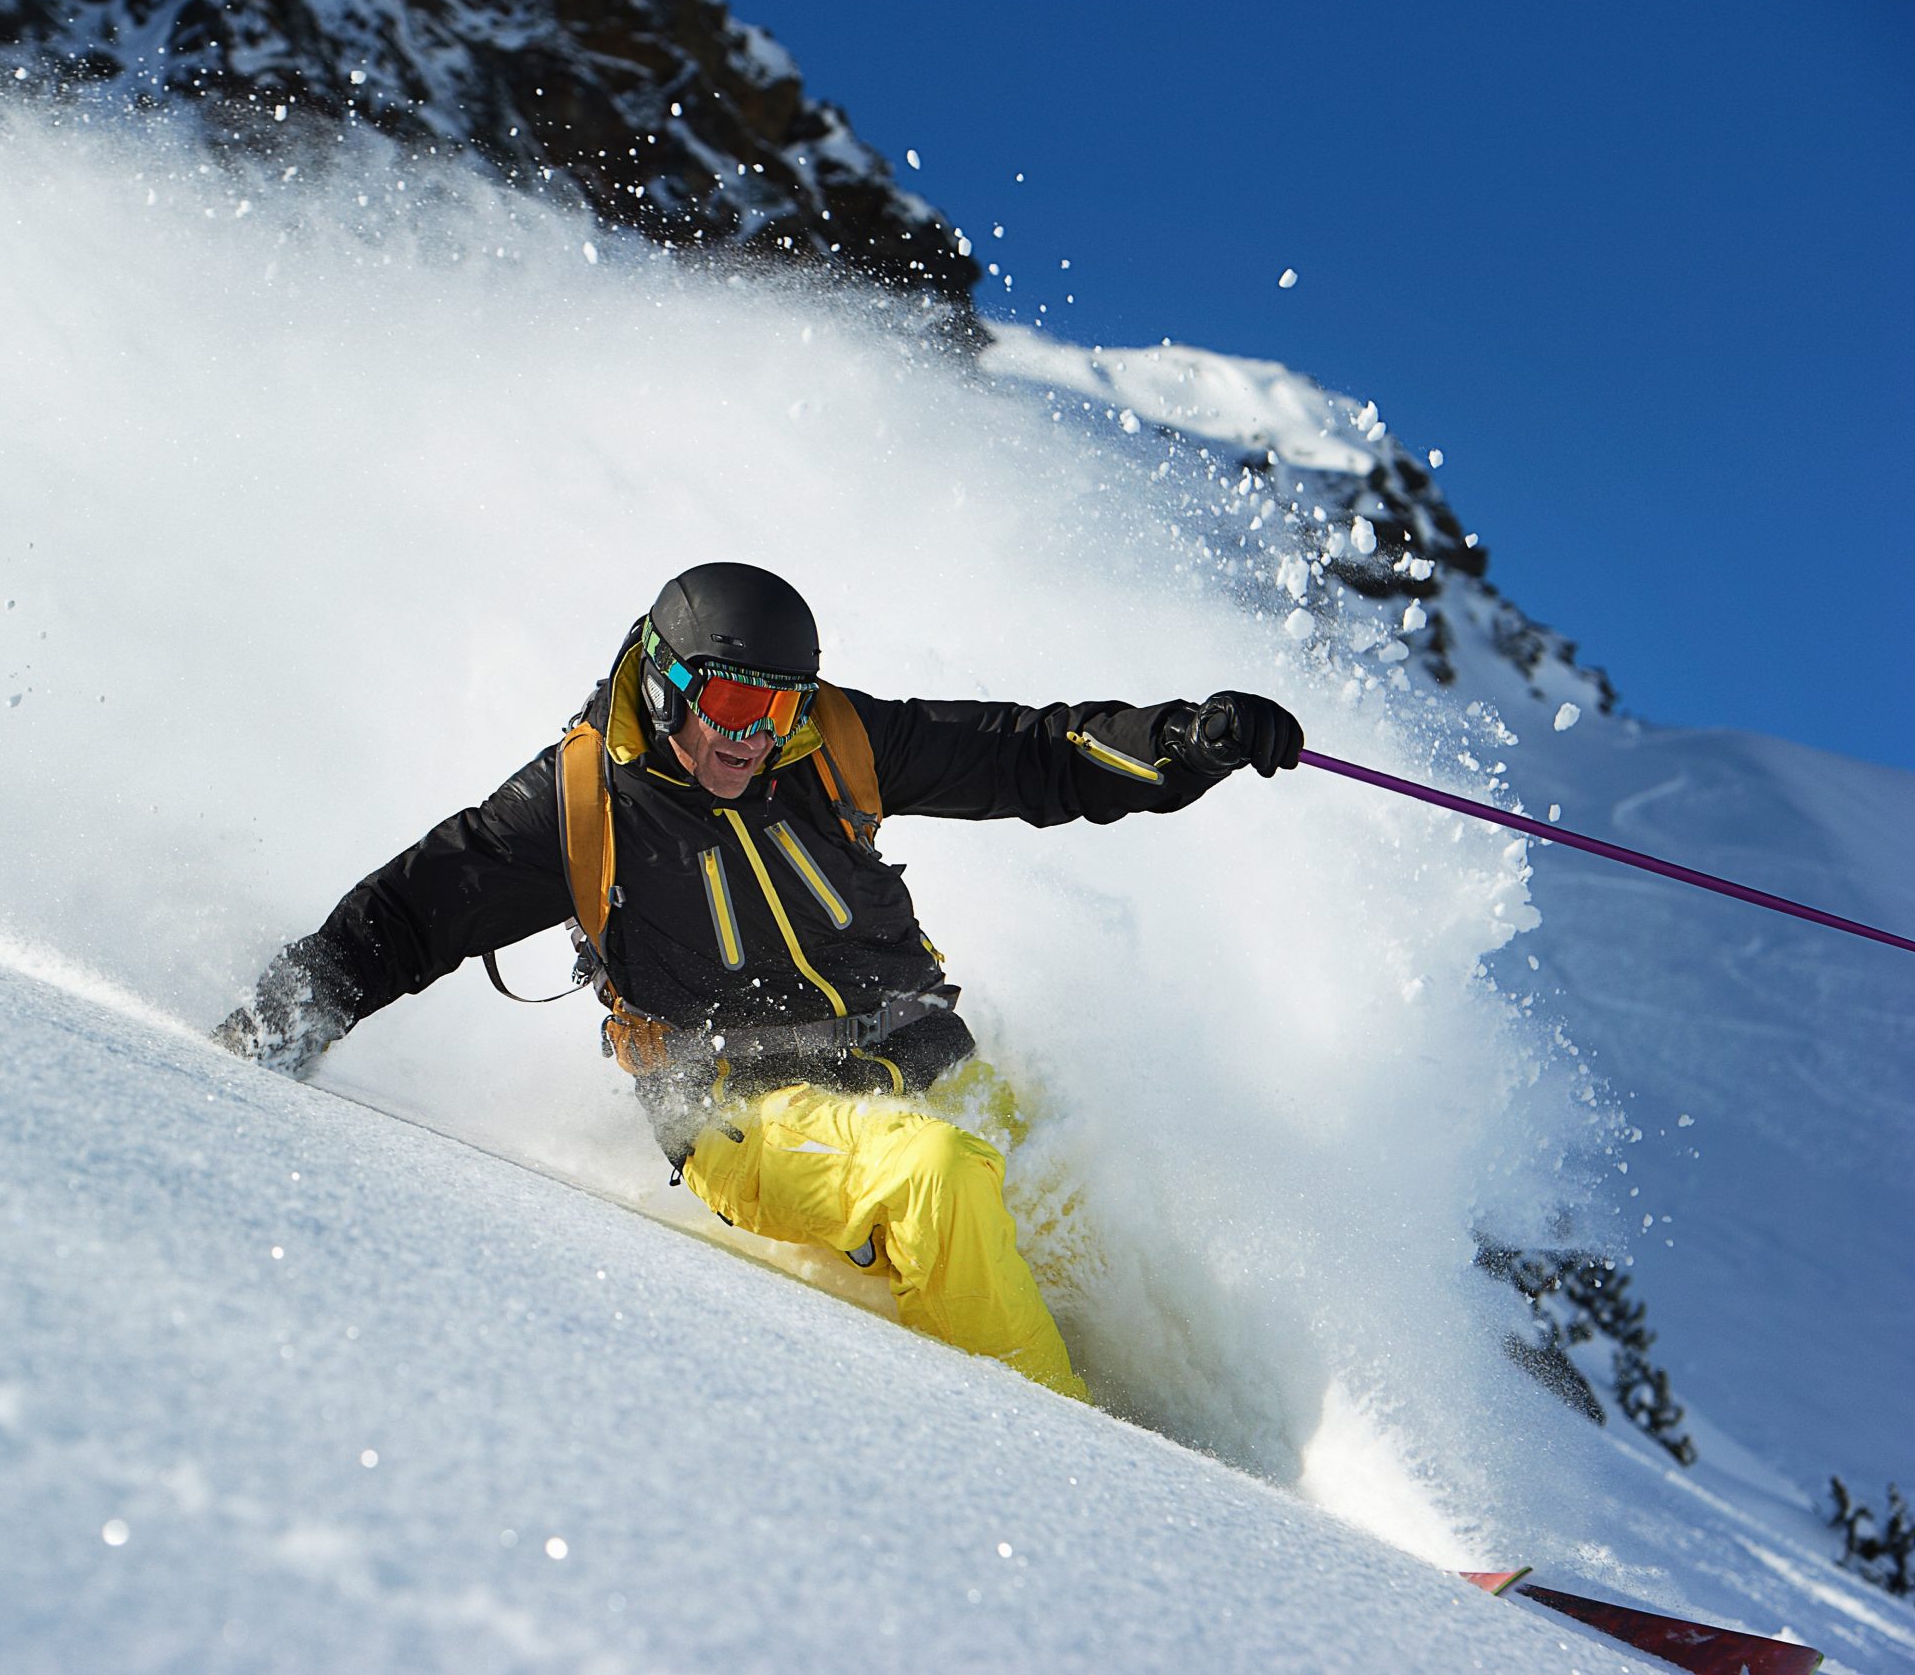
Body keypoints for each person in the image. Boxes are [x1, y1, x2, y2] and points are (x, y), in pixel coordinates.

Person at [215, 562, 1302, 1400]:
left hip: (922, 1065)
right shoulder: (582, 802)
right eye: (730, 703)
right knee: (933, 1178)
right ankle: (1083, 1464)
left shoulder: (829, 743)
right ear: (665, 680)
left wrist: (1182, 742)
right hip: (745, 1113)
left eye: (778, 707)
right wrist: (265, 1031)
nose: (752, 737)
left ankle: (1203, 1439)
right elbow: (408, 915)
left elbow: (1031, 754)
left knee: (1072, 1210)